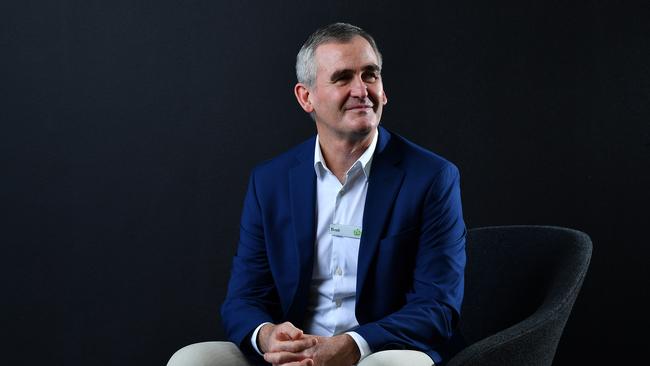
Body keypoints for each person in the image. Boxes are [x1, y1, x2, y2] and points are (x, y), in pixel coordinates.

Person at [168, 22, 466, 366]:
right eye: (342, 78)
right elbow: (244, 297)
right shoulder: (271, 181)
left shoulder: (430, 177)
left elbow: (437, 306)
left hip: (380, 351)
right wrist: (268, 335)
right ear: (305, 97)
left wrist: (352, 345)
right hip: (295, 353)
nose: (361, 90)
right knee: (191, 359)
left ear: (383, 90)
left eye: (370, 75)